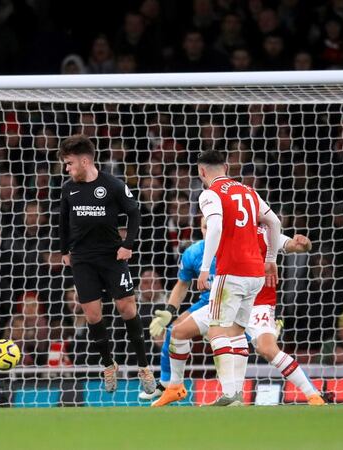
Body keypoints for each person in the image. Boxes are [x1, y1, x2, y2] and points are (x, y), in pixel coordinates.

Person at [149, 218, 325, 406]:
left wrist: (302, 244)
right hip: (228, 301)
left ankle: (312, 394)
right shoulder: (210, 245)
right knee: (178, 332)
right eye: (205, 227)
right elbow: (187, 281)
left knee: (267, 349)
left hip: (258, 303)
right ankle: (175, 388)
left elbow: (291, 245)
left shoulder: (263, 234)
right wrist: (171, 309)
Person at [57, 134, 156, 395]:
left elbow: (134, 212)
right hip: (83, 260)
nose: (66, 169)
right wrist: (64, 251)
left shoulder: (112, 185)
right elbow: (63, 221)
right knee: (92, 315)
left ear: (85, 160)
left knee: (126, 308)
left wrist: (128, 244)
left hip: (112, 257)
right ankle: (107, 364)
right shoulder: (69, 189)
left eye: (69, 163)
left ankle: (143, 367)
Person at [193, 150, 281, 406]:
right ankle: (238, 394)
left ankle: (229, 392)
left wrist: (205, 267)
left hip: (230, 270)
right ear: (226, 166)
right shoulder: (248, 191)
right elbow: (274, 222)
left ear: (201, 172)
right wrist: (271, 259)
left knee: (215, 330)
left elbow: (216, 226)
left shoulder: (209, 193)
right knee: (237, 332)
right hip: (255, 273)